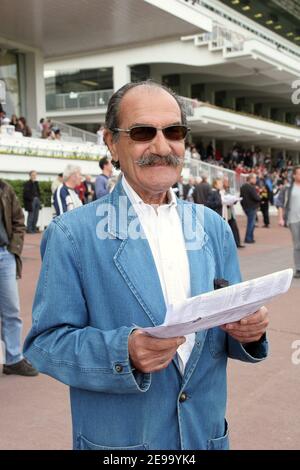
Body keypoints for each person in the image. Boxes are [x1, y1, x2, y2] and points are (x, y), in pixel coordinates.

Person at [24, 81, 269, 450]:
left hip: (206, 438)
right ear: (111, 142)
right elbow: (45, 344)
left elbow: (225, 327)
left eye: (173, 131)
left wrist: (249, 331)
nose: (161, 146)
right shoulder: (72, 234)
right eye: (142, 132)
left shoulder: (213, 227)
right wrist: (123, 352)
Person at [0, 179, 38, 376]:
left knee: (11, 310)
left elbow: (18, 220)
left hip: (4, 255)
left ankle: (13, 359)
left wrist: (13, 249)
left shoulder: (5, 188)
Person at [277, 166, 300, 279]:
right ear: (294, 175)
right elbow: (280, 203)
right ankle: (299, 268)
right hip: (293, 220)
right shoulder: (288, 189)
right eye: (299, 174)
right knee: (297, 245)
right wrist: (280, 218)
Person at [240, 174, 261, 244]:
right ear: (250, 179)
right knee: (251, 223)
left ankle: (250, 237)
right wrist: (260, 198)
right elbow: (256, 197)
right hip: (252, 207)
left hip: (246, 207)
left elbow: (241, 198)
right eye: (254, 179)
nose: (255, 180)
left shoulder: (243, 187)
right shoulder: (251, 187)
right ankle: (248, 238)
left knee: (251, 223)